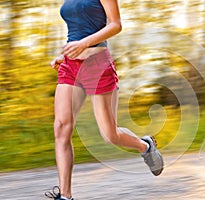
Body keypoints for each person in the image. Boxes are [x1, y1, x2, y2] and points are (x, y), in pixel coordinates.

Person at [44, 0, 164, 199]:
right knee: (61, 127)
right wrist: (64, 54)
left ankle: (146, 146)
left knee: (109, 135)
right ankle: (65, 196)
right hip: (70, 65)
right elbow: (78, 28)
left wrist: (84, 44)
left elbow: (115, 24)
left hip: (97, 65)